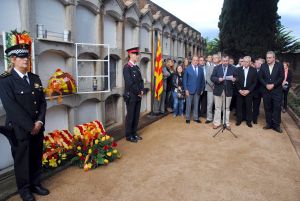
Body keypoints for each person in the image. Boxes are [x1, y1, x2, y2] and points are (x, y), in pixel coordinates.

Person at [0, 31, 48, 201]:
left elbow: (42, 102)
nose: (26, 60)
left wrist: (40, 122)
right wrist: (30, 126)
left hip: (37, 127)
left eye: (27, 56)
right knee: (22, 160)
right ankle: (25, 190)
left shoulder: (35, 78)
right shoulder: (5, 80)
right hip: (20, 129)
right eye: (21, 57)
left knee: (35, 156)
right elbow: (11, 107)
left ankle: (36, 184)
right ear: (13, 60)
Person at [123, 47, 146, 142]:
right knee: (131, 115)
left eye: (138, 54)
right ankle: (129, 135)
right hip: (131, 95)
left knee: (136, 116)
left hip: (138, 95)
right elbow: (130, 83)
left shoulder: (136, 67)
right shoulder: (126, 68)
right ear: (131, 55)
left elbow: (141, 80)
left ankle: (134, 133)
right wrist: (138, 92)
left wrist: (142, 90)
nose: (138, 56)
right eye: (136, 54)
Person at [258, 51, 284, 133]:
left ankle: (276, 125)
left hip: (277, 91)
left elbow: (281, 77)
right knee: (267, 107)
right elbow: (260, 77)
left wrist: (273, 85)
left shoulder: (279, 65)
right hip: (266, 91)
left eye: (269, 58)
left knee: (277, 107)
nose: (268, 59)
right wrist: (266, 85)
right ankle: (268, 123)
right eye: (267, 58)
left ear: (274, 58)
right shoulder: (263, 66)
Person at [211, 55, 236, 130]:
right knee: (217, 107)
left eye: (226, 61)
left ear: (228, 60)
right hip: (218, 90)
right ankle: (216, 123)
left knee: (227, 108)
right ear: (221, 60)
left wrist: (234, 79)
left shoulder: (233, 68)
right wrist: (218, 79)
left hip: (228, 90)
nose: (225, 62)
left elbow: (237, 77)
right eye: (224, 61)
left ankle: (226, 123)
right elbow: (212, 77)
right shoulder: (216, 68)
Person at [234, 56, 257, 127]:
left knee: (248, 107)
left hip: (249, 91)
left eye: (247, 62)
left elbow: (255, 82)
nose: (246, 63)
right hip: (239, 91)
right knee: (239, 106)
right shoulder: (238, 69)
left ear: (250, 62)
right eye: (244, 61)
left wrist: (249, 90)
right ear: (242, 62)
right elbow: (236, 81)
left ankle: (248, 121)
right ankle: (239, 120)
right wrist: (239, 90)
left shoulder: (254, 70)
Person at [183, 56, 205, 124]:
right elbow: (184, 80)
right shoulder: (187, 69)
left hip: (198, 90)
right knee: (188, 104)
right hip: (189, 90)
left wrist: (202, 89)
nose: (195, 61)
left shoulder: (201, 69)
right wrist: (186, 89)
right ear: (192, 61)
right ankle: (187, 118)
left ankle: (196, 118)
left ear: (198, 61)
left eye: (197, 60)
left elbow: (202, 80)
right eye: (194, 60)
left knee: (196, 104)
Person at [252, 58, 264, 124]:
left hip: (258, 92)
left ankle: (254, 119)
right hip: (250, 91)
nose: (258, 64)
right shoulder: (252, 70)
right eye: (257, 63)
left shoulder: (264, 71)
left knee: (256, 106)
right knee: (248, 105)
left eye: (260, 63)